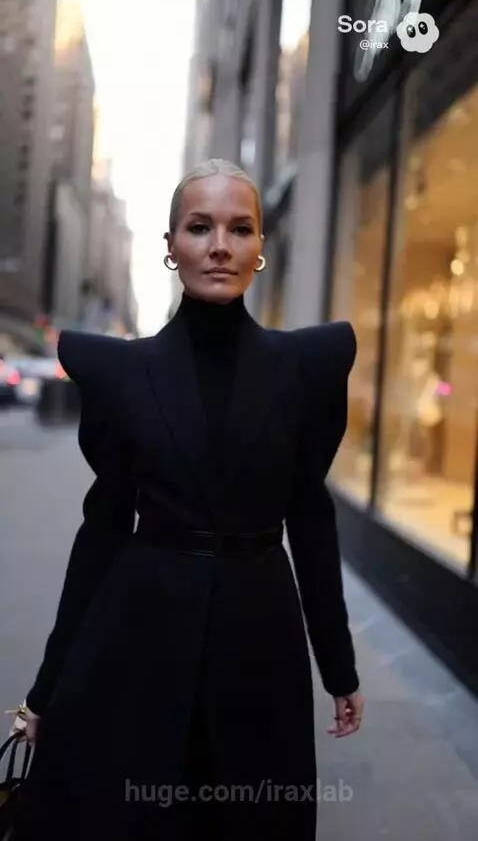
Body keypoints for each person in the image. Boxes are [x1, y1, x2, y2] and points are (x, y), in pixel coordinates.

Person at [9, 158, 364, 840]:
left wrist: (339, 664)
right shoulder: (124, 373)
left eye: (241, 228)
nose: (220, 245)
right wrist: (45, 689)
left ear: (262, 249)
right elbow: (101, 533)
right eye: (200, 227)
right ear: (170, 247)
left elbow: (311, 523)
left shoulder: (304, 369)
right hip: (140, 633)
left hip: (263, 636)